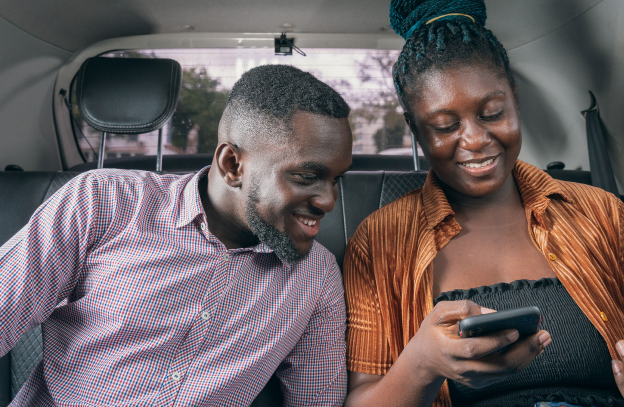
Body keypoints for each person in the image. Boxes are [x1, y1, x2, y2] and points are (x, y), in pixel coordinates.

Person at [0, 64, 353, 406]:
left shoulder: (316, 275)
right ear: (233, 165)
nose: (329, 201)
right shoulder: (101, 202)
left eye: (337, 179)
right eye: (307, 177)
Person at [343, 1, 624, 406]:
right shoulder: (377, 242)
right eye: (445, 126)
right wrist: (422, 364)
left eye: (493, 114)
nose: (474, 140)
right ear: (415, 130)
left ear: (516, 101)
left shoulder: (603, 213)